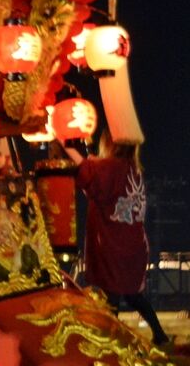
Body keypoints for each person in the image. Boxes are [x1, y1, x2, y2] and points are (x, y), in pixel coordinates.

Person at [65, 132, 169, 345]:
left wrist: (68, 146)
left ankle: (111, 339)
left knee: (110, 295)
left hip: (114, 244)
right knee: (132, 295)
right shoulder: (133, 169)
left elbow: (89, 175)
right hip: (134, 244)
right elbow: (98, 180)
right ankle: (159, 335)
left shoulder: (112, 168)